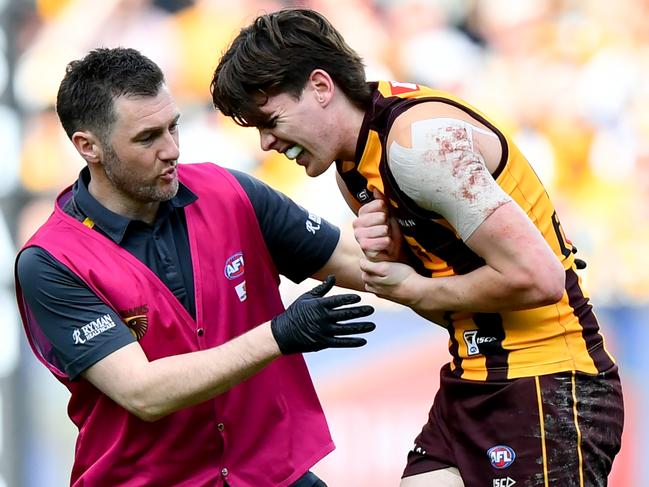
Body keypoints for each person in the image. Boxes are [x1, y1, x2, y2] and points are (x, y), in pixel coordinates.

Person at [210, 8, 624, 487]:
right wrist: (399, 264)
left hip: (548, 380)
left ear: (321, 87)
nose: (265, 143)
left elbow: (540, 278)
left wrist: (415, 290)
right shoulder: (353, 165)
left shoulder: (419, 146)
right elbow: (455, 302)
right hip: (471, 380)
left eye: (271, 119)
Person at [14, 47, 377, 487]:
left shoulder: (231, 191)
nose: (171, 150)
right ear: (88, 146)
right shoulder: (50, 261)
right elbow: (142, 392)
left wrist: (409, 224)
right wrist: (279, 334)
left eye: (173, 127)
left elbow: (364, 265)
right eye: (148, 138)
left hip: (270, 475)